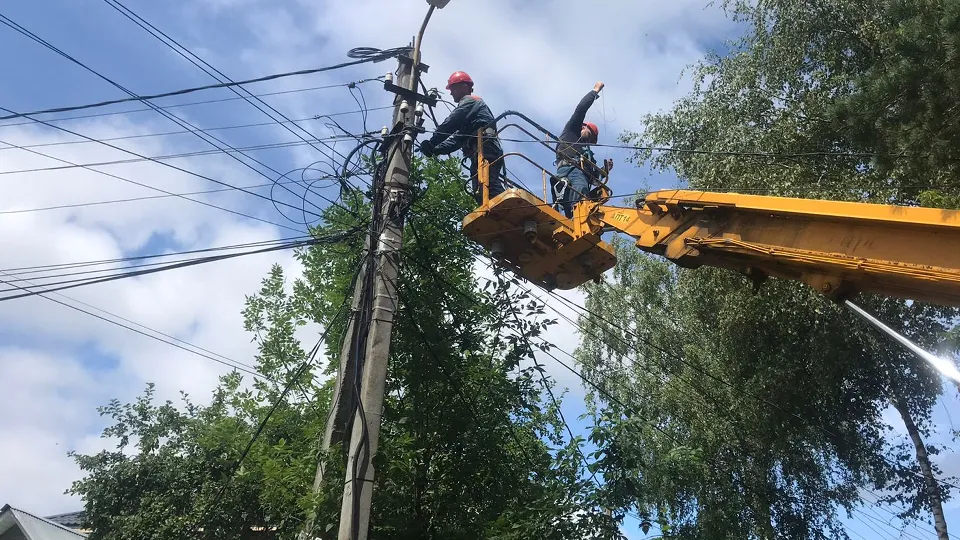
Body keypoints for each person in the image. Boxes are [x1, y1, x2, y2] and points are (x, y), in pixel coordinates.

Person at [419, 71, 505, 204]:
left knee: (488, 183)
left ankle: (506, 207)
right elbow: (457, 139)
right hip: (480, 152)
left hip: (486, 148)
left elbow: (452, 122)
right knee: (480, 189)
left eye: (453, 88)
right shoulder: (470, 116)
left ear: (465, 86)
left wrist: (432, 141)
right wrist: (435, 149)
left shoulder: (470, 101)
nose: (451, 92)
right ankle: (497, 213)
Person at [553, 81, 613, 218]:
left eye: (591, 141)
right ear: (584, 128)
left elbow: (593, 179)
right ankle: (578, 218)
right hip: (567, 170)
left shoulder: (586, 155)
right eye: (590, 136)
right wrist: (595, 91)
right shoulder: (571, 131)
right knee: (579, 193)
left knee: (582, 191)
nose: (589, 141)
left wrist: (605, 171)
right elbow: (580, 109)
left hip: (578, 174)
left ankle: (577, 220)